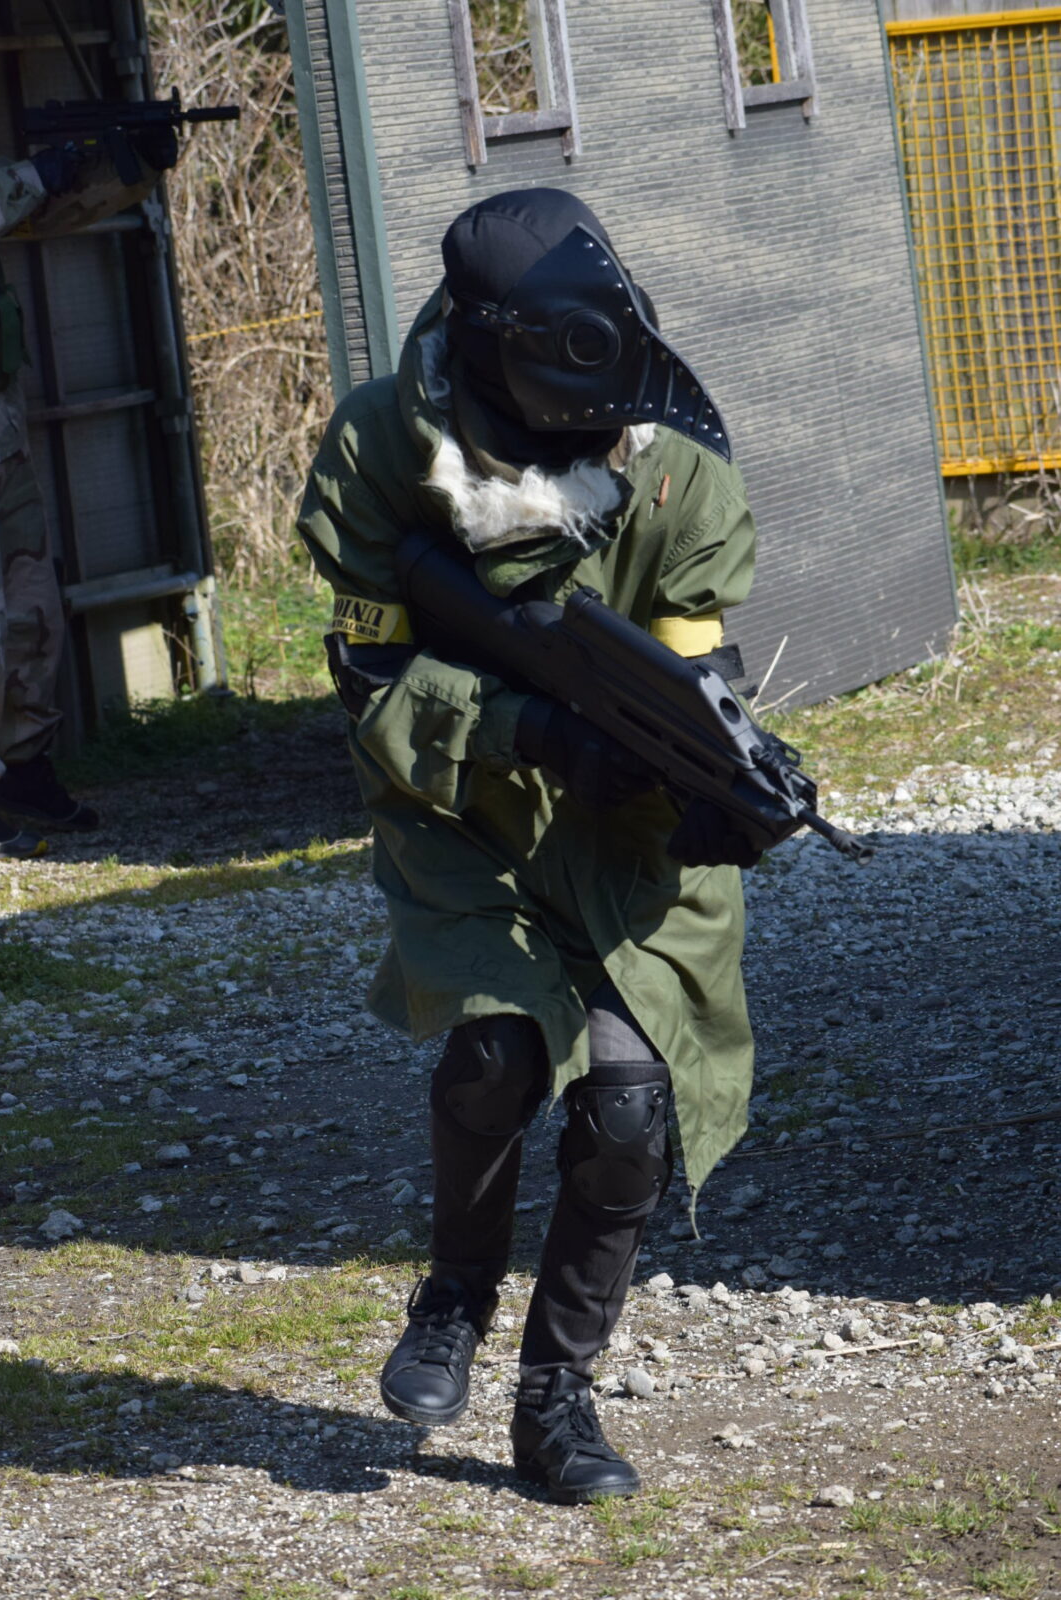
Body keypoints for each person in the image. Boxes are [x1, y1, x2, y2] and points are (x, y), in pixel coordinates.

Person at [298, 188, 759, 1503]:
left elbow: (692, 677)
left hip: (625, 833)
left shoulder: (678, 470)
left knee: (627, 1107)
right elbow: (371, 690)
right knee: (496, 1050)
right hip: (460, 810)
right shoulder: (383, 446)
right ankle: (454, 1290)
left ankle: (555, 1399)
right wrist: (522, 729)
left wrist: (712, 783)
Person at [0, 129, 177, 858]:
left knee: (32, 610)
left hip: (2, 436)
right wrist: (37, 174)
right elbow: (16, 194)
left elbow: (38, 214)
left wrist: (126, 169)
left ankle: (21, 769)